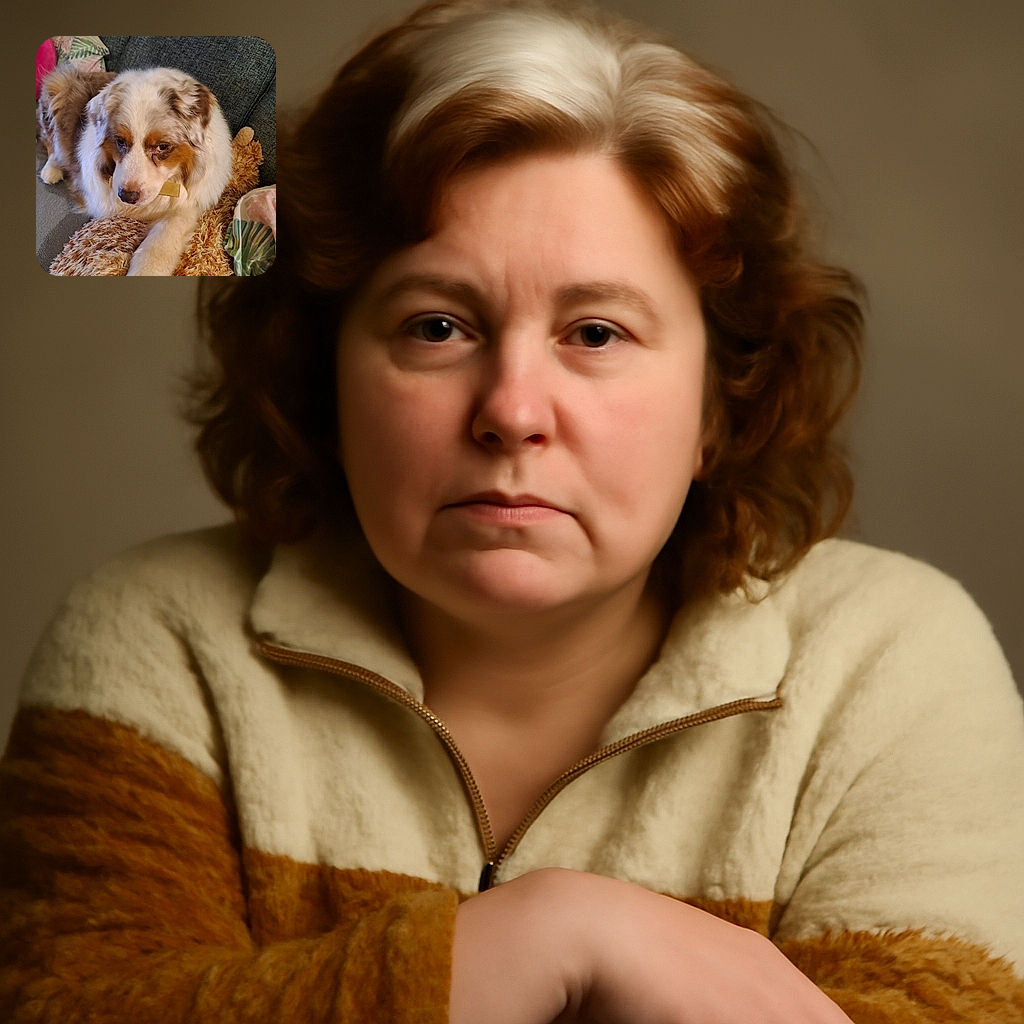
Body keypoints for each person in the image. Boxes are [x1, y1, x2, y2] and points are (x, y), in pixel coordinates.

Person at [2, 0, 1022, 1020]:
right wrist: (558, 935)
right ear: (322, 377)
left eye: (595, 332)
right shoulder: (156, 637)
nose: (512, 412)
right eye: (437, 325)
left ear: (721, 400)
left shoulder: (892, 663)